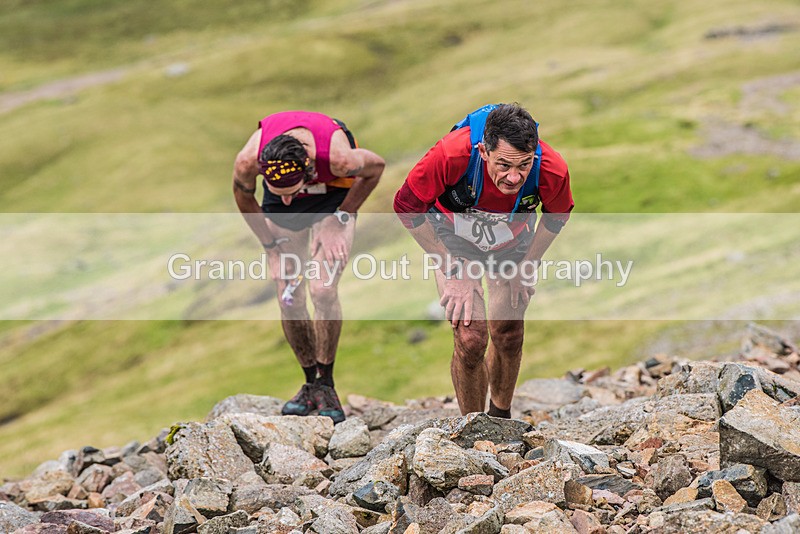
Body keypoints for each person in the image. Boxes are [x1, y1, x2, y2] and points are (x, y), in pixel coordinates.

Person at [393, 103, 574, 418]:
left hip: (511, 238)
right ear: (484, 151)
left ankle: (500, 419)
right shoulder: (452, 154)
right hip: (452, 236)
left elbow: (557, 215)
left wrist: (527, 265)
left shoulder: (551, 168)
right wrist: (451, 268)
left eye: (524, 165)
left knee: (508, 331)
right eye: (503, 165)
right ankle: (473, 429)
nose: (514, 177)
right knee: (471, 335)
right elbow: (406, 204)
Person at [232, 110, 385, 423]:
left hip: (333, 195)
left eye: (289, 193)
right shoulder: (249, 161)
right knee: (288, 290)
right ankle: (310, 382)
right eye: (279, 194)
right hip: (290, 186)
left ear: (309, 168)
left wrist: (343, 215)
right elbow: (244, 198)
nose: (287, 202)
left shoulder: (339, 159)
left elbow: (377, 168)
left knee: (323, 289)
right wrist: (271, 247)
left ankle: (326, 384)